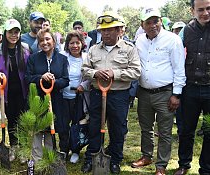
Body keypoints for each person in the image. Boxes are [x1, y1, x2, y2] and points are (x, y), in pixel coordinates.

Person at [81, 11, 141, 174]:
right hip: (96, 94)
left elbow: (136, 72)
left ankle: (115, 160)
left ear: (118, 30)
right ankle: (91, 158)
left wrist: (115, 74)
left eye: (109, 29)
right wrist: (95, 73)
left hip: (119, 95)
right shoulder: (93, 49)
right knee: (94, 127)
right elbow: (84, 69)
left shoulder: (129, 49)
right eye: (103, 30)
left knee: (117, 129)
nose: (105, 33)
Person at [131, 7, 186, 175]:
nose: (153, 25)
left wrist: (176, 94)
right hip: (144, 92)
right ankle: (146, 156)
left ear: (161, 21)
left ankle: (161, 165)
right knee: (145, 127)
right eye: (148, 22)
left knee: (164, 131)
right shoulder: (139, 40)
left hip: (165, 93)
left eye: (156, 21)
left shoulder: (173, 39)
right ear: (142, 24)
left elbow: (179, 69)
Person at [174, 0, 210, 174]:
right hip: (190, 90)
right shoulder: (185, 32)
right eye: (201, 9)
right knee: (186, 130)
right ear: (193, 10)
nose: (205, 13)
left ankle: (206, 168)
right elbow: (175, 58)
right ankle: (183, 164)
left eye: (209, 8)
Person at [25, 28, 69, 162]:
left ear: (54, 41)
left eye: (47, 39)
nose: (44, 42)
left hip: (55, 99)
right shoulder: (33, 58)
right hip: (37, 99)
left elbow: (65, 80)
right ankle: (36, 159)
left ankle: (50, 158)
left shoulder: (62, 59)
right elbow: (28, 77)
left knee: (51, 128)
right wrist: (41, 78)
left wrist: (52, 82)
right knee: (37, 129)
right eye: (41, 40)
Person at [0, 19, 30, 162]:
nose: (13, 35)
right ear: (5, 33)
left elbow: (29, 69)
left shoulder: (25, 48)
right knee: (12, 120)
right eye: (10, 32)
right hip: (5, 93)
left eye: (16, 32)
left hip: (23, 92)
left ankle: (24, 148)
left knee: (23, 121)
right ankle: (14, 146)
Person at [59, 31, 89, 163]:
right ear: (67, 44)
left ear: (82, 43)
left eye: (77, 42)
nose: (75, 46)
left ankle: (75, 150)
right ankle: (64, 150)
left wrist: (83, 85)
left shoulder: (87, 58)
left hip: (79, 97)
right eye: (71, 43)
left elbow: (90, 76)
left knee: (77, 125)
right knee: (63, 125)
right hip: (63, 97)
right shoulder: (62, 57)